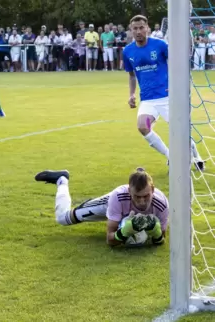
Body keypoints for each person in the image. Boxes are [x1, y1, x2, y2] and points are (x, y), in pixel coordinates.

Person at [123, 15, 205, 171]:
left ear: (147, 28)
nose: (139, 31)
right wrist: (132, 94)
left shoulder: (160, 45)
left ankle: (197, 157)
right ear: (131, 30)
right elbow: (132, 75)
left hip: (168, 97)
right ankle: (170, 156)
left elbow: (177, 63)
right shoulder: (128, 51)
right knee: (143, 126)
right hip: (147, 100)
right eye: (135, 28)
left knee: (180, 131)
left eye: (141, 27)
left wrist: (176, 85)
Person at [34, 168, 167, 247]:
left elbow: (160, 241)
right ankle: (62, 179)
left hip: (125, 209)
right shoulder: (118, 196)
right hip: (112, 205)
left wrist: (156, 233)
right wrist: (124, 232)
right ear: (129, 191)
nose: (142, 201)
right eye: (137, 196)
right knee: (63, 218)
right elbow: (110, 240)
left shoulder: (161, 205)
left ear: (153, 190)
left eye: (146, 196)